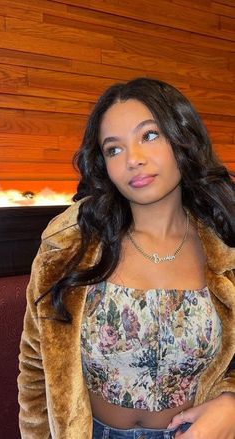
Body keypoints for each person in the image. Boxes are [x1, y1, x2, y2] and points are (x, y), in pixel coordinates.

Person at [18, 77, 235, 439]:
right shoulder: (68, 245)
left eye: (149, 135)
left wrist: (231, 403)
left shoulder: (226, 242)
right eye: (113, 149)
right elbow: (36, 369)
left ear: (183, 136)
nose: (133, 159)